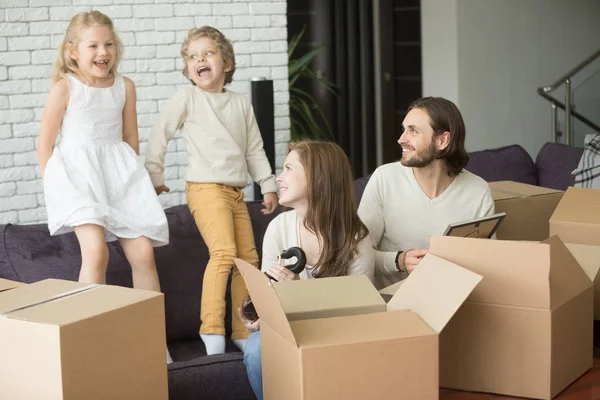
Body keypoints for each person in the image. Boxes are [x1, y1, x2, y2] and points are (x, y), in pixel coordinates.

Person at [144, 26, 279, 355]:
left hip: (235, 193)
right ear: (187, 68)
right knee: (222, 253)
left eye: (207, 53)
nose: (199, 60)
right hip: (205, 189)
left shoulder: (240, 105)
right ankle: (212, 330)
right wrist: (154, 175)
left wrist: (268, 184)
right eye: (192, 56)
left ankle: (242, 331)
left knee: (247, 260)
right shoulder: (187, 98)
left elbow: (254, 150)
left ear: (227, 64)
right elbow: (161, 134)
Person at [37, 11, 168, 292]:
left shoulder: (125, 87)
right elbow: (44, 143)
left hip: (119, 177)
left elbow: (130, 138)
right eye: (93, 46)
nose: (103, 52)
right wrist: (53, 185)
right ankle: (88, 333)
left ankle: (149, 334)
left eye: (109, 44)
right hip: (77, 179)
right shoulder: (65, 88)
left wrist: (135, 182)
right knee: (96, 251)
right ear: (72, 52)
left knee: (144, 253)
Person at [238, 141, 375, 400]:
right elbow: (269, 297)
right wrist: (258, 316)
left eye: (289, 168)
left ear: (318, 178)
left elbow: (361, 316)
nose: (279, 177)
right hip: (289, 330)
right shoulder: (278, 228)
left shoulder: (356, 238)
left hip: (339, 335)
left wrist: (300, 294)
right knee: (257, 349)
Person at [358, 97, 495, 289]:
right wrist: (400, 260)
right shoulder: (384, 179)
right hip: (392, 305)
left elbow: (490, 261)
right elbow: (356, 255)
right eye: (404, 129)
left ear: (442, 140)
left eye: (413, 131)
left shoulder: (478, 191)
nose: (401, 139)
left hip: (454, 300)